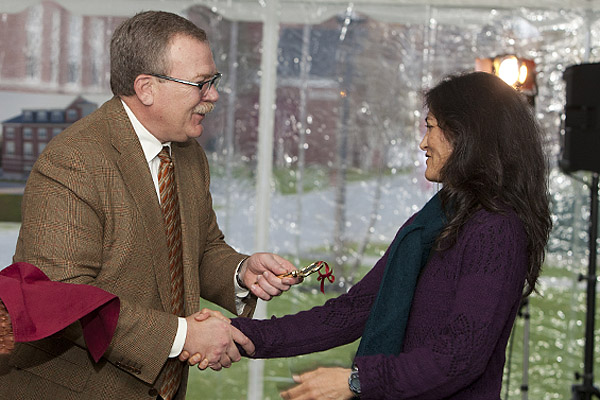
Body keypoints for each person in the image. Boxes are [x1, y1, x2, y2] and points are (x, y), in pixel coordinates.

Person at [186, 71, 552, 399]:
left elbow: (459, 358)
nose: (423, 143)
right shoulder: (435, 221)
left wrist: (357, 382)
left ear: (464, 135)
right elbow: (353, 310)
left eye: (430, 126)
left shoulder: (496, 230)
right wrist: (242, 333)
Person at [0, 10, 300, 400]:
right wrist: (184, 336)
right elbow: (62, 297)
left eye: (214, 81)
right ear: (146, 88)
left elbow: (200, 249)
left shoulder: (188, 154)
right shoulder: (74, 161)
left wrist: (242, 272)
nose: (213, 95)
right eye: (201, 83)